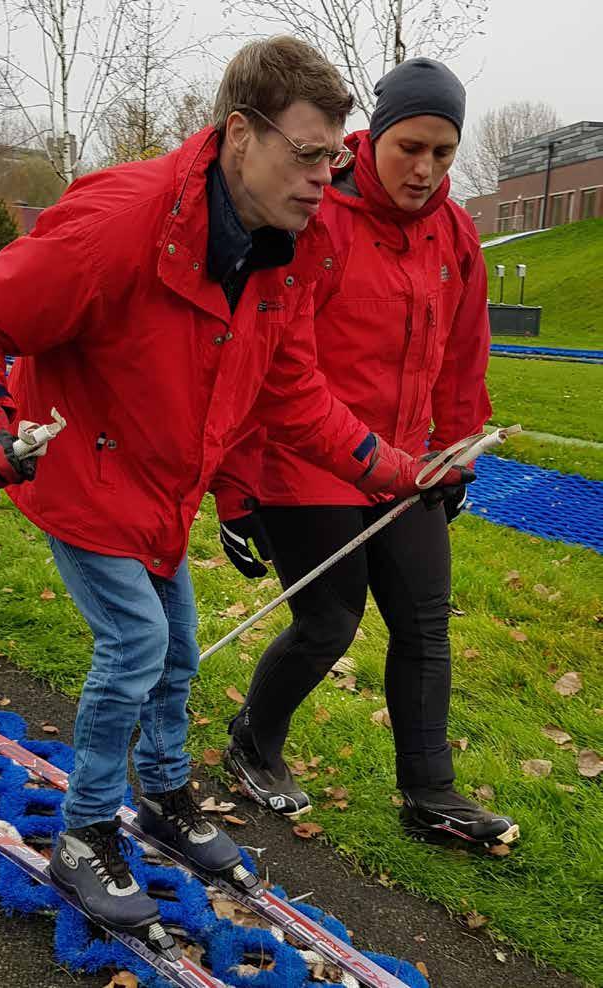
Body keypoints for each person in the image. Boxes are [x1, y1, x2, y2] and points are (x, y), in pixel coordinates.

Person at [0, 39, 471, 936]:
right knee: (136, 646)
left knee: (178, 650)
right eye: (304, 156)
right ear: (238, 136)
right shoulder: (120, 222)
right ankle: (85, 829)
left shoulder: (281, 248)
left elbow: (291, 393)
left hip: (161, 489)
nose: (320, 179)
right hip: (82, 466)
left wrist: (400, 473)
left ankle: (167, 798)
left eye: (332, 158)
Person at [222, 57, 520, 849]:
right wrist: (235, 488)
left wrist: (455, 454)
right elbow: (265, 360)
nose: (424, 170)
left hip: (410, 463)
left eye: (443, 153)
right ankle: (252, 740)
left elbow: (463, 353)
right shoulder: (316, 212)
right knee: (328, 622)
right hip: (307, 460)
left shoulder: (454, 231)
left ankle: (431, 793)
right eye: (409, 148)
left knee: (424, 625)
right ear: (375, 136)